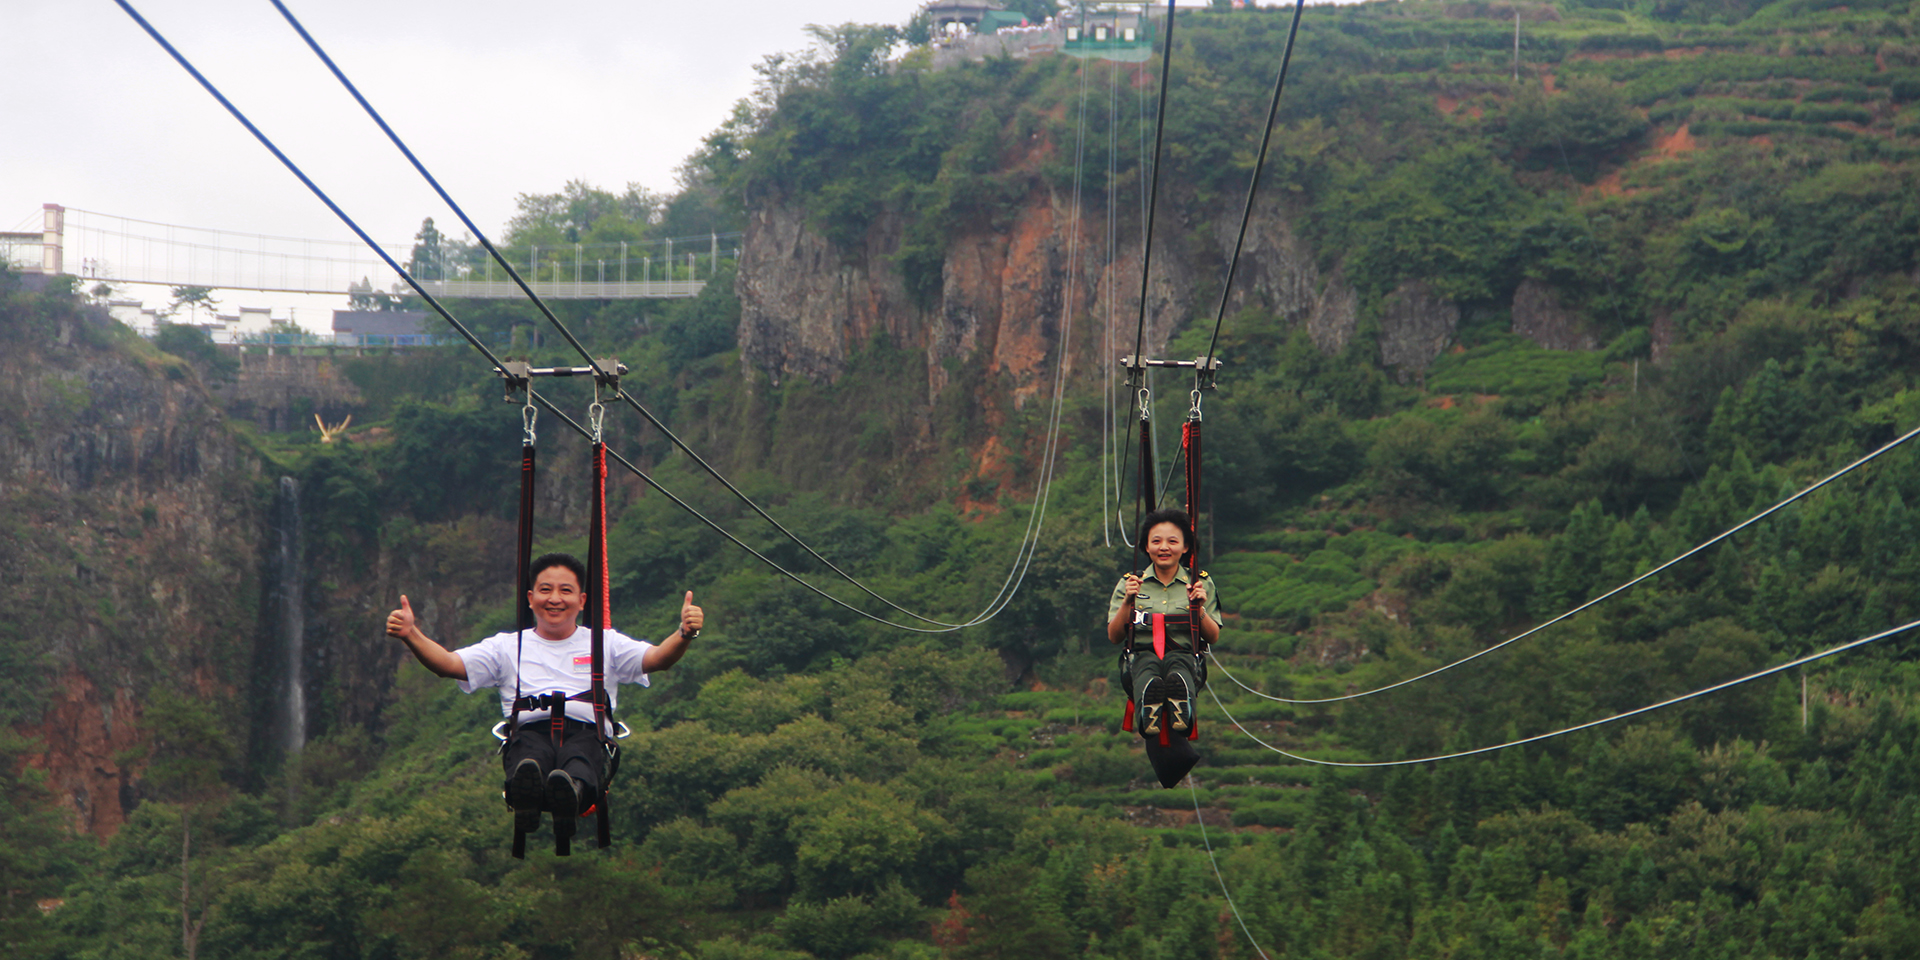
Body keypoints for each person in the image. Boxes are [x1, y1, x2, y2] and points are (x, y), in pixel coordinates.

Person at [384, 552, 703, 841]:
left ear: (581, 600)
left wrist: (684, 633)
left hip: (586, 734)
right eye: (545, 590)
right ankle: (530, 791)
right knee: (529, 757)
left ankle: (571, 791)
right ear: (530, 598)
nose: (555, 599)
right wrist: (411, 634)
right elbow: (449, 664)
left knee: (579, 758)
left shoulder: (605, 644)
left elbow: (658, 658)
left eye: (565, 591)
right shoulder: (506, 647)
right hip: (529, 733)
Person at [1106, 509, 1219, 737]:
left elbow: (1213, 636)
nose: (1164, 547)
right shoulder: (1130, 584)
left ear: (1185, 547)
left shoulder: (1200, 583)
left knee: (1178, 665)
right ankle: (1150, 707)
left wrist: (1199, 609)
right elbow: (1114, 635)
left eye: (1172, 541)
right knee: (1147, 668)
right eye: (1156, 541)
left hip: (1185, 655)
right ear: (1146, 547)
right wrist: (1128, 601)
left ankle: (1181, 705)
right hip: (1142, 654)